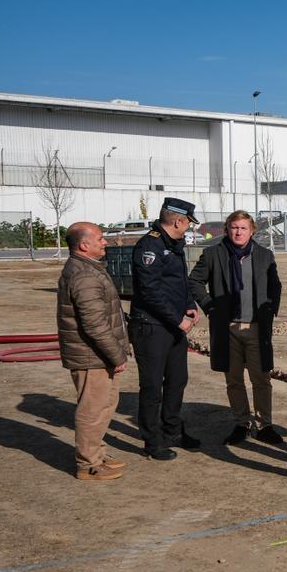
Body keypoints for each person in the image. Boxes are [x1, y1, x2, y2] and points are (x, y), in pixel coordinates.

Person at [188, 211, 284, 446]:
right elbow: (194, 281)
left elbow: (275, 286)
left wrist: (270, 310)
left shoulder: (264, 255)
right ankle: (241, 423)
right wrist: (210, 306)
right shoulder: (213, 254)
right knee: (234, 380)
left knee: (261, 379)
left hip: (256, 328)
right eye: (234, 227)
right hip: (227, 328)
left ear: (252, 231)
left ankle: (264, 425)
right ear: (227, 229)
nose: (238, 232)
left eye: (243, 228)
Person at [57, 222, 132, 480]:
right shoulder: (85, 276)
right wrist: (117, 355)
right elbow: (95, 324)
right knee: (92, 410)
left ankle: (97, 454)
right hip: (92, 356)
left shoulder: (87, 268)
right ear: (84, 245)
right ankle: (88, 464)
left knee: (105, 406)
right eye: (100, 239)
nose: (105, 242)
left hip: (96, 355)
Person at [130, 197, 202, 460]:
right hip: (152, 327)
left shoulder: (174, 245)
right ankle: (153, 441)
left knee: (177, 380)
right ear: (177, 221)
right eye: (187, 223)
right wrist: (177, 318)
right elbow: (150, 291)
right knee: (151, 387)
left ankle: (172, 430)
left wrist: (189, 304)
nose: (188, 228)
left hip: (172, 326)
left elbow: (178, 282)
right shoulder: (149, 245)